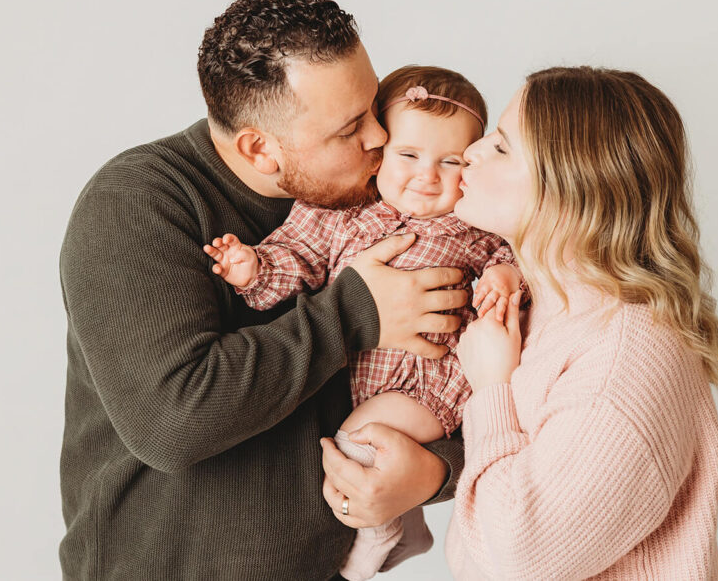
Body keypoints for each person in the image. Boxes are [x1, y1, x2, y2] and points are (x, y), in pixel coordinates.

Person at [58, 0, 467, 581]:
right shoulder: (138, 203)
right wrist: (355, 311)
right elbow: (172, 422)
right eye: (351, 127)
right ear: (260, 148)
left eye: (374, 109)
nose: (380, 138)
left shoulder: (384, 200)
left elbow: (472, 374)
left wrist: (436, 471)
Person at [204, 65, 524, 580]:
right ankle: (408, 517)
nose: (429, 175)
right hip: (357, 379)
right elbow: (298, 256)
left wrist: (506, 277)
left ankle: (382, 531)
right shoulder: (340, 214)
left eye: (451, 162)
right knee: (347, 436)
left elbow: (516, 256)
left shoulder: (474, 222)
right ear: (378, 153)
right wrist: (255, 267)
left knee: (360, 439)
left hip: (431, 381)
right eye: (409, 156)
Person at [444, 66, 718, 579]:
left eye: (503, 147)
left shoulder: (622, 363)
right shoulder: (538, 309)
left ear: (572, 190)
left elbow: (514, 559)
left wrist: (491, 389)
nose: (470, 151)